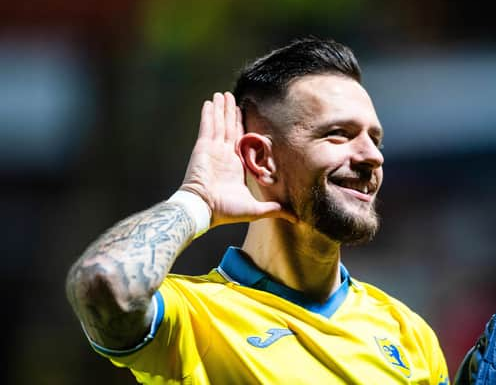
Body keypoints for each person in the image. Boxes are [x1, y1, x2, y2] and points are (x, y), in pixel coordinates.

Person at [66, 37, 449, 384]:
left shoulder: (407, 334)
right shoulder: (195, 319)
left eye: (374, 138)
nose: (371, 157)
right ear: (261, 158)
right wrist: (196, 200)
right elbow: (103, 282)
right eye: (339, 134)